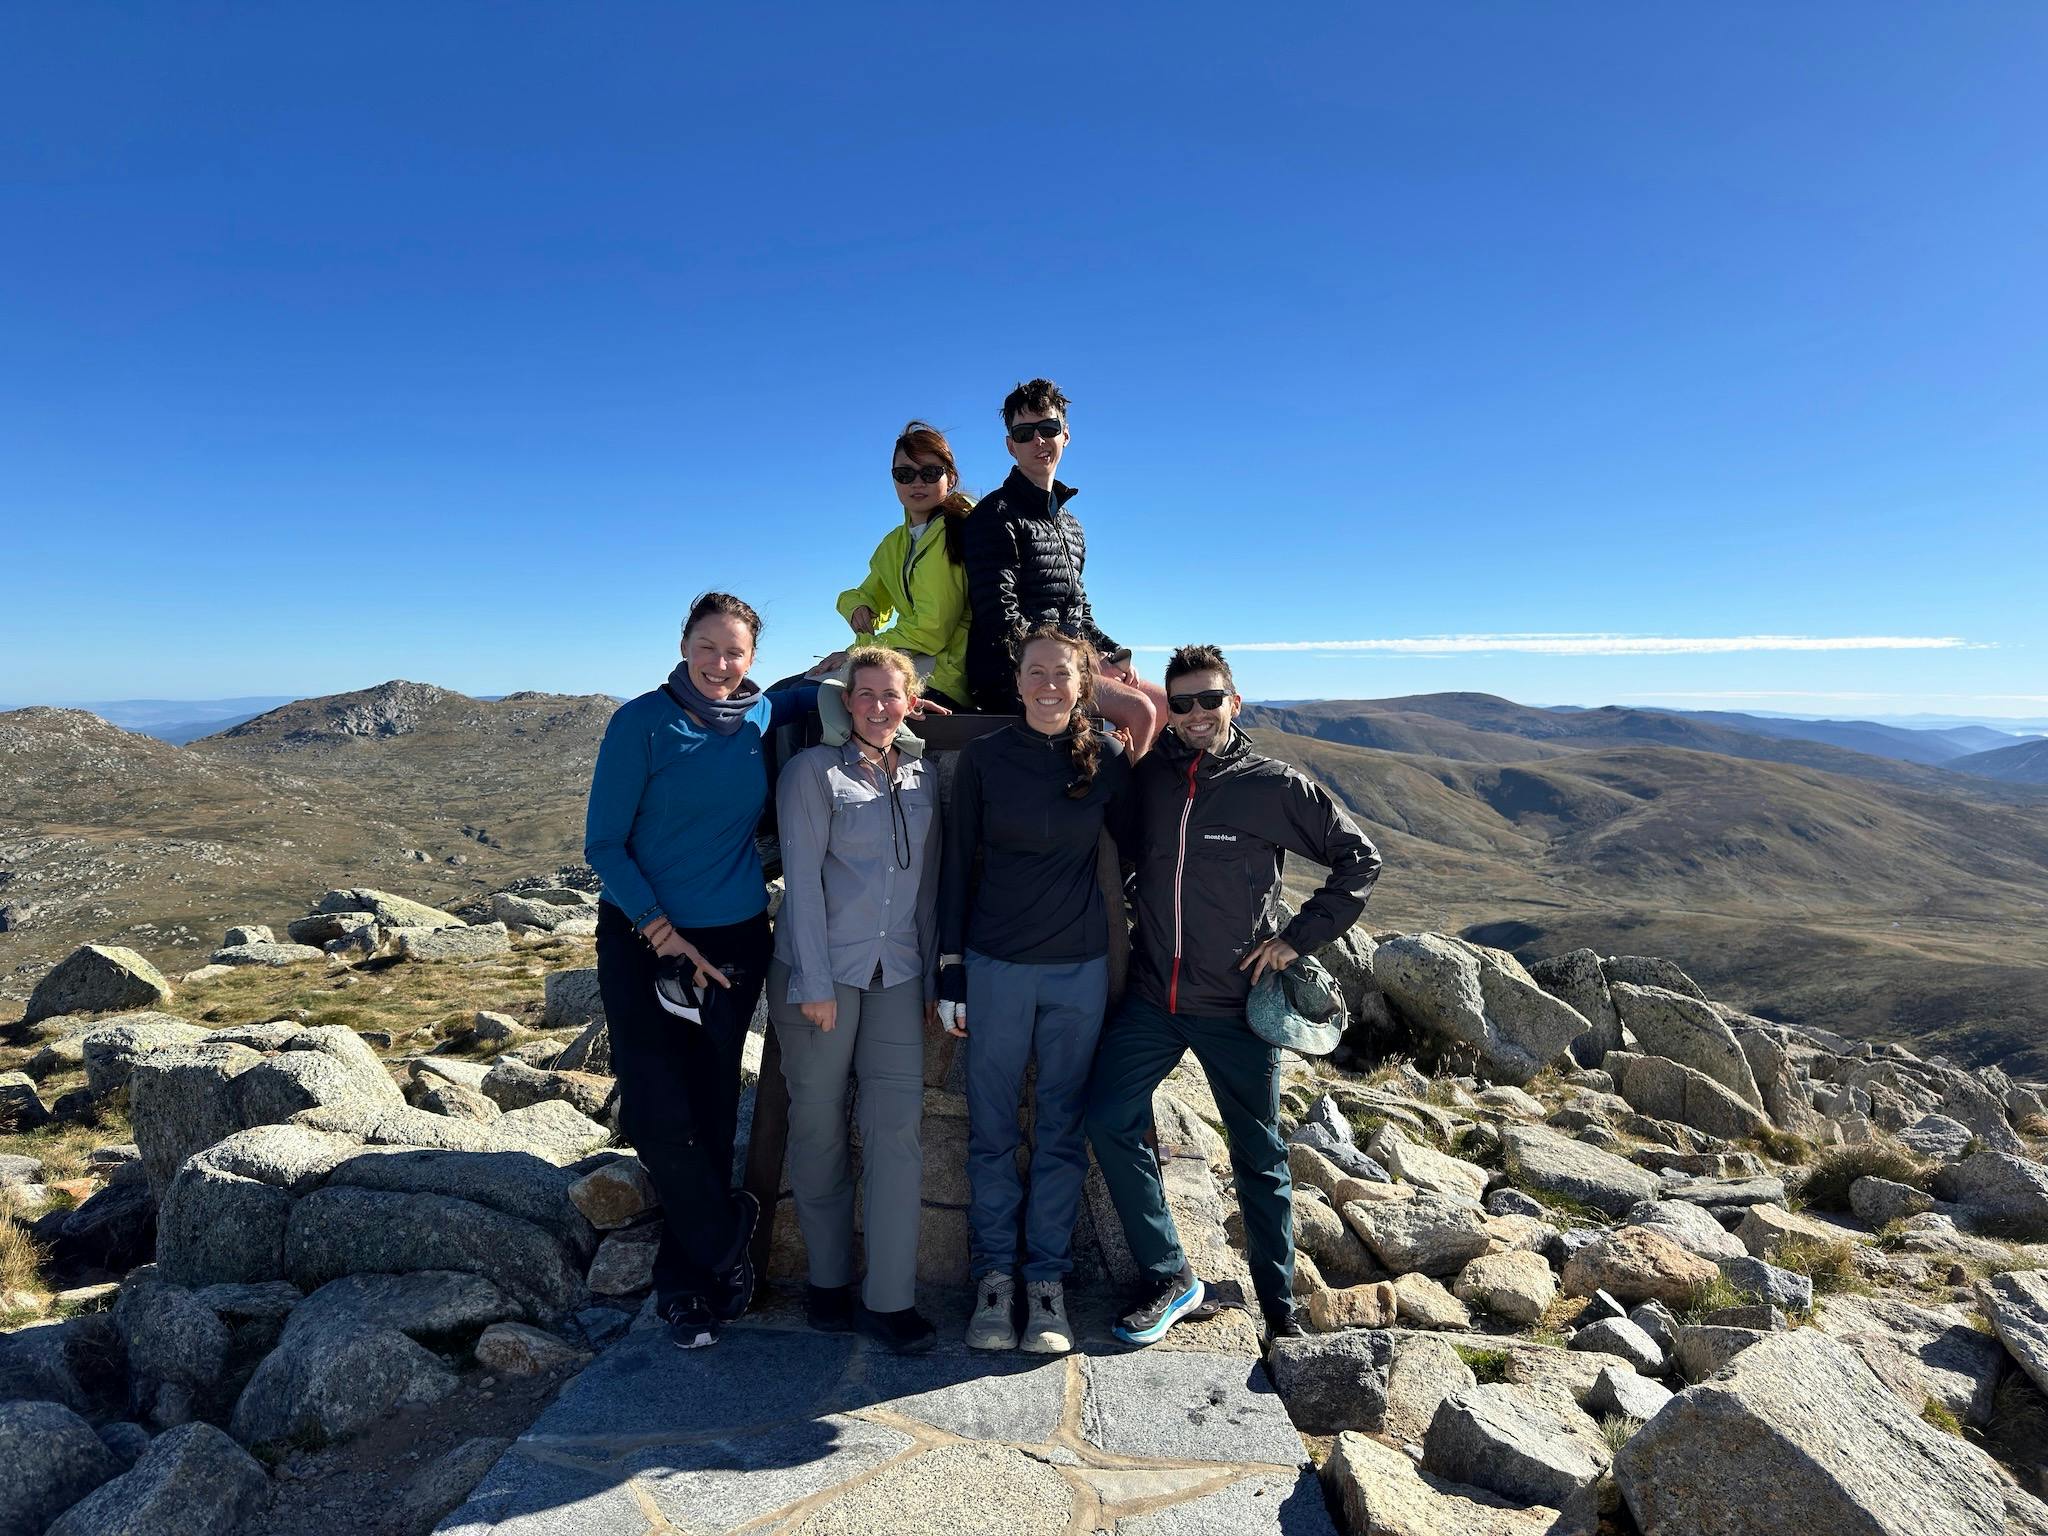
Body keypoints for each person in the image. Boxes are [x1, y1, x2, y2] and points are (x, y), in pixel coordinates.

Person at [1085, 643, 1381, 1348]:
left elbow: (1357, 860)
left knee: (1260, 1157)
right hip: (1157, 997)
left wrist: (1296, 939)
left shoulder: (1272, 785)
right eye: (1180, 702)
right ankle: (1171, 1273)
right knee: (1105, 1116)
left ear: (1233, 702)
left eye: (1208, 700)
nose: (1193, 714)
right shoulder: (1151, 778)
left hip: (1239, 1006)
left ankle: (1279, 1312)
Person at [584, 592, 838, 1351]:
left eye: (735, 652)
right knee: (654, 1115)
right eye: (707, 646)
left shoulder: (763, 713)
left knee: (706, 1104)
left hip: (731, 939)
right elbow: (604, 844)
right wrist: (662, 932)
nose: (720, 663)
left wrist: (881, 682)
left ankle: (686, 1286)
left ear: (753, 659)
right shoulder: (641, 723)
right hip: (643, 937)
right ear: (684, 644)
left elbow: (842, 685)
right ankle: (730, 1237)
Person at [936, 622, 1133, 1352]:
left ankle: (1045, 1284)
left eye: (1062, 674)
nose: (1048, 685)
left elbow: (1139, 853)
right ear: (1016, 682)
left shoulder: (1108, 758)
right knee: (990, 1132)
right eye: (1036, 673)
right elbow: (957, 865)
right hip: (994, 966)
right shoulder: (985, 760)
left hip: (1079, 971)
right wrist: (950, 968)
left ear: (1083, 684)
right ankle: (995, 1282)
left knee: (1059, 1131)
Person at [765, 645, 942, 1355]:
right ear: (844, 699)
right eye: (862, 693)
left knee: (897, 1133)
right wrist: (811, 982)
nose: (876, 706)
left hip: (897, 975)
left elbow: (927, 887)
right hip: (822, 976)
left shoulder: (927, 775)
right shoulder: (812, 773)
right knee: (818, 1129)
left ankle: (890, 1299)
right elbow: (801, 884)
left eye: (889, 695)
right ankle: (828, 1283)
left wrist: (931, 977)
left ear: (909, 701)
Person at [959, 378, 1170, 753]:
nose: (1038, 441)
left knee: (1166, 704)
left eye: (1048, 428)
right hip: (1013, 671)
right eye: (1024, 433)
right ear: (1011, 446)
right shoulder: (995, 516)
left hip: (1067, 660)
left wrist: (1113, 655)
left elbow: (1079, 610)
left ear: (1065, 436)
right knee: (1139, 710)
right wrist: (1077, 662)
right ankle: (1125, 808)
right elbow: (1000, 617)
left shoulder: (1070, 525)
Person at [832, 421, 974, 716]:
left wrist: (858, 654)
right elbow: (868, 593)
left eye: (930, 472)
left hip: (944, 676)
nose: (917, 483)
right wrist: (857, 605)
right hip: (908, 664)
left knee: (818, 699)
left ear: (951, 477)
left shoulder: (960, 530)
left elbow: (932, 629)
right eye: (905, 474)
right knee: (788, 691)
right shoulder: (894, 543)